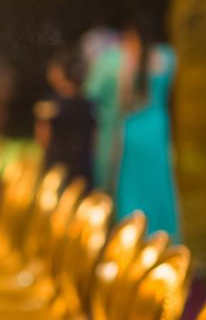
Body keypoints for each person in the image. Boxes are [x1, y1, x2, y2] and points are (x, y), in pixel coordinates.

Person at [84, 18, 180, 238]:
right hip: (156, 129)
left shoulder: (116, 60)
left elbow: (93, 93)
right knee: (159, 185)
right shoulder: (167, 57)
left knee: (128, 187)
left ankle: (129, 238)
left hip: (129, 129)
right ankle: (162, 237)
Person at [34, 45, 95, 185]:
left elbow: (42, 137)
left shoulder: (49, 104)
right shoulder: (88, 103)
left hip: (56, 166)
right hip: (82, 166)